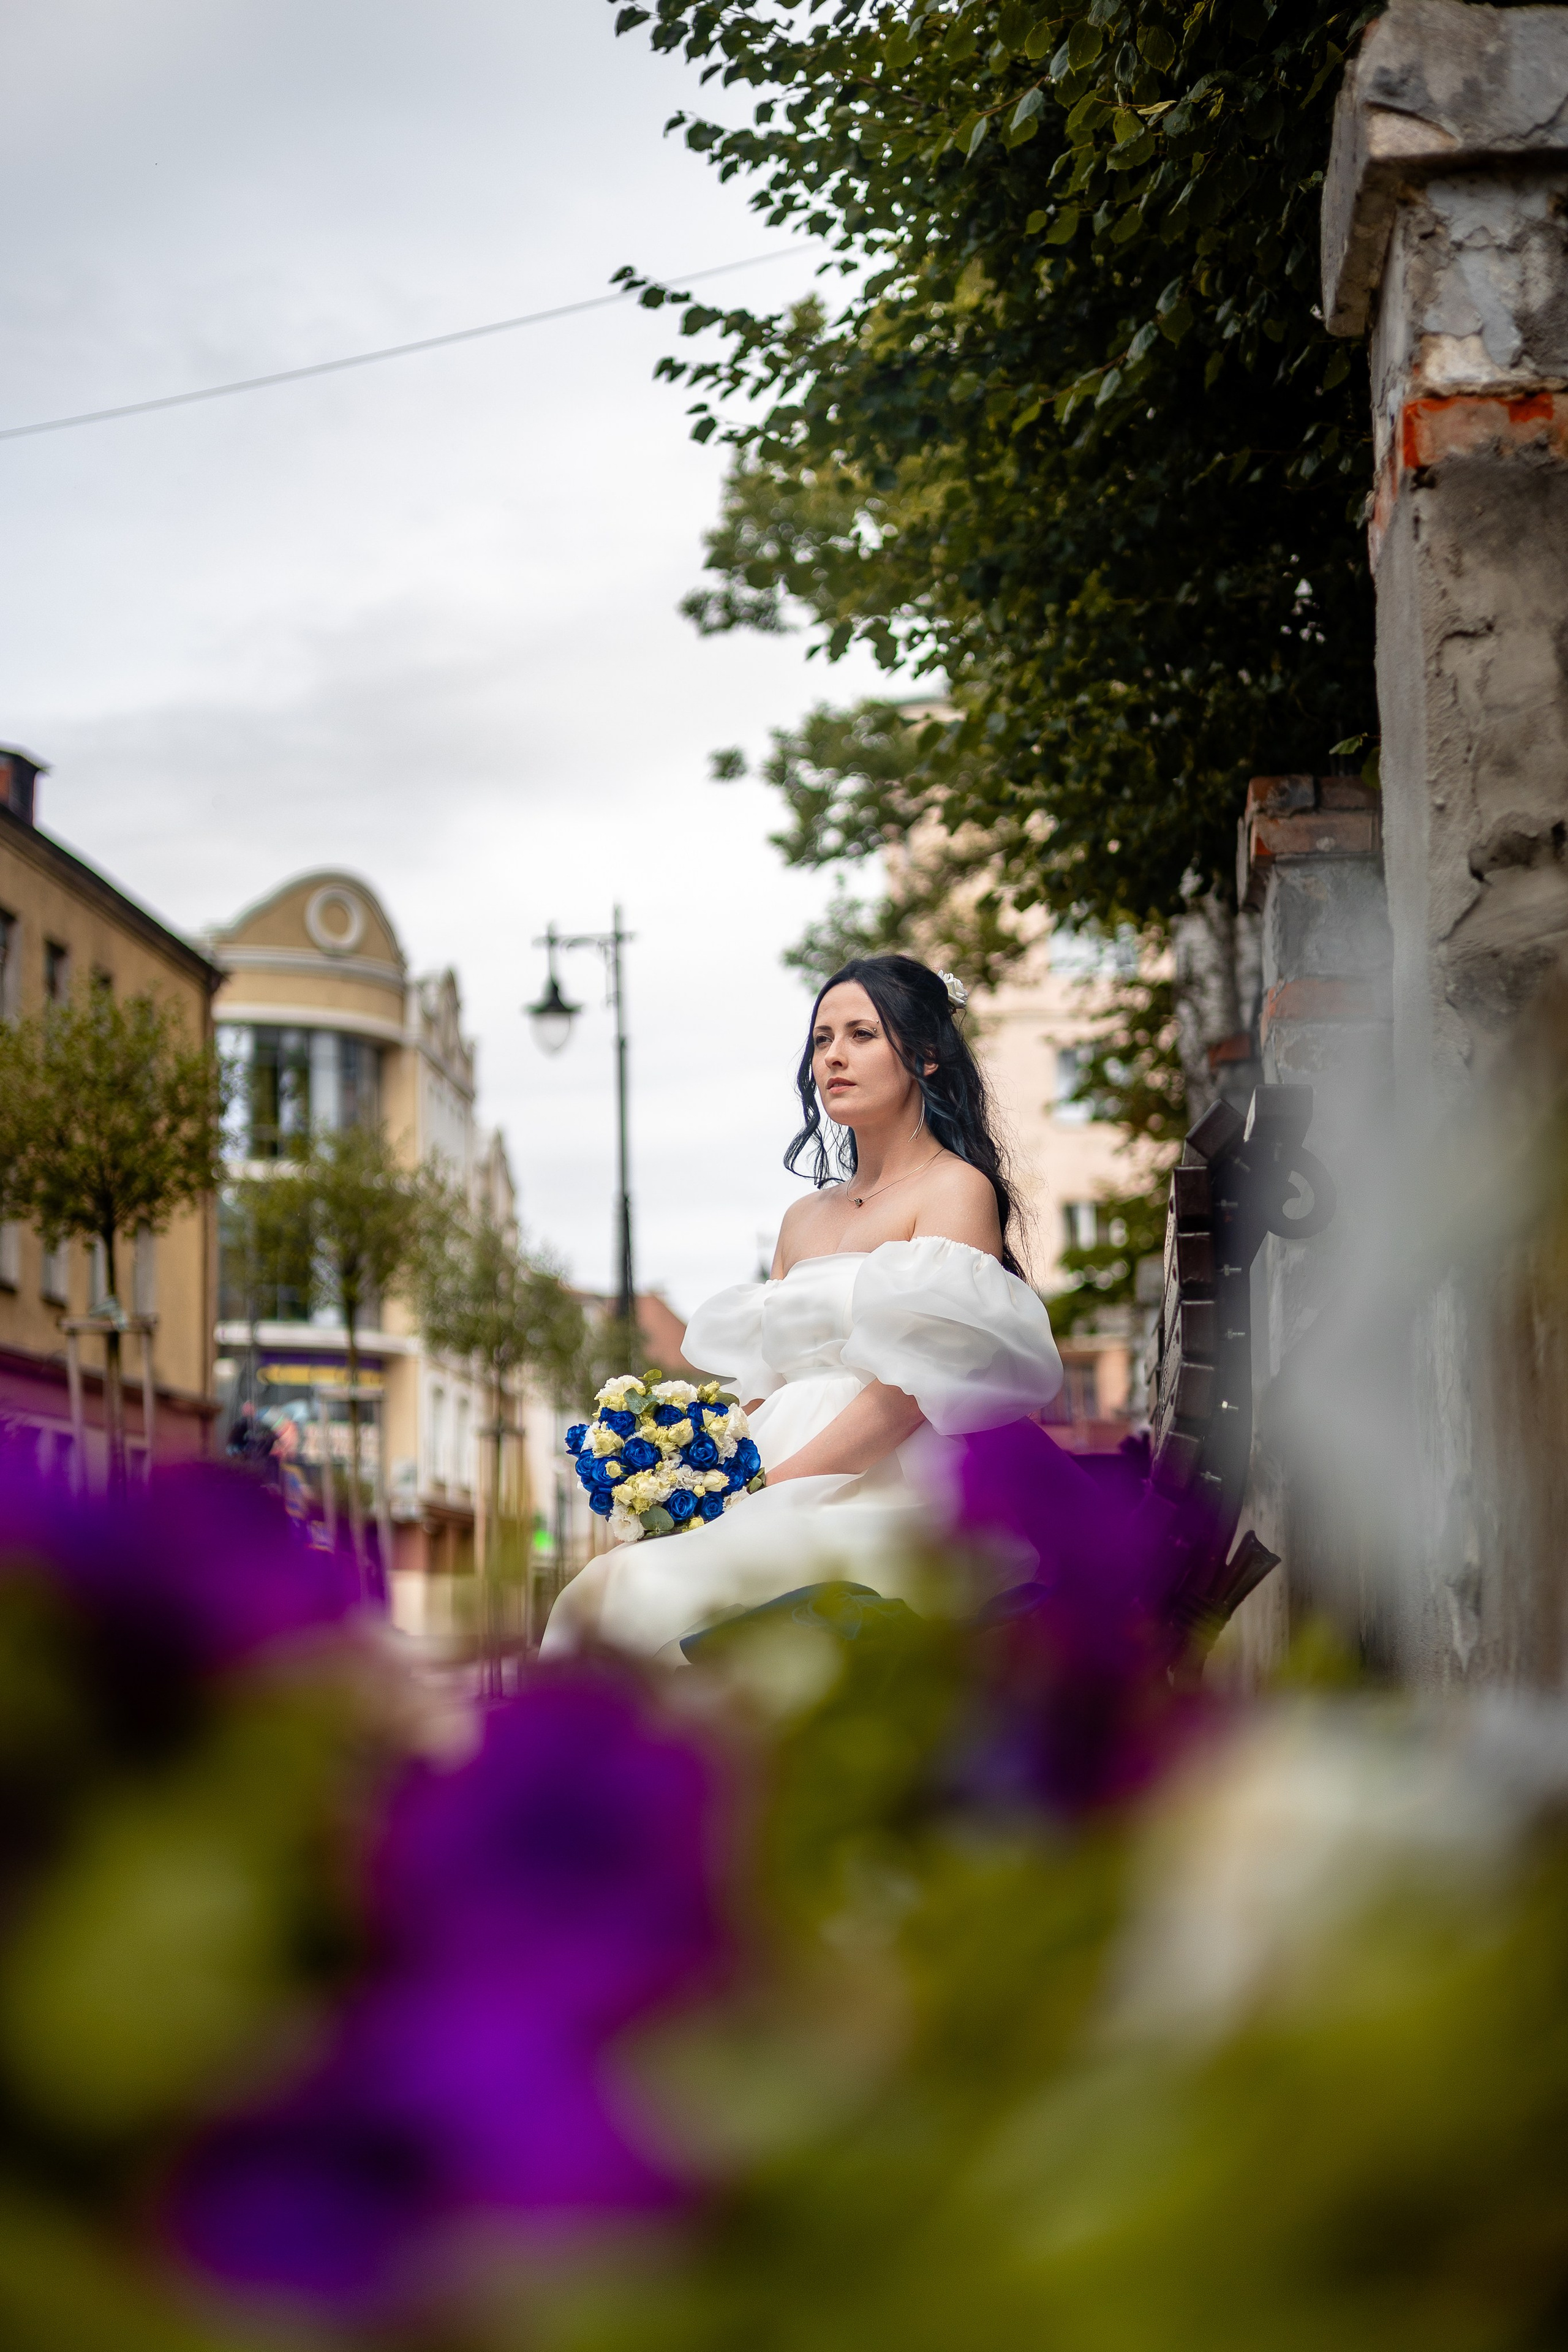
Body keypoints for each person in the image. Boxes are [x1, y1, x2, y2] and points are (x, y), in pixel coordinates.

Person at [540, 954, 1064, 1661]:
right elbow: (766, 1387)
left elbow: (906, 1396)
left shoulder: (954, 1191)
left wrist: (767, 1492)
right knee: (605, 1590)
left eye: (861, 1035)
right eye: (821, 1039)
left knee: (649, 1597)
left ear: (928, 1056)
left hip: (884, 1481)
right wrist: (686, 1478)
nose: (833, 1058)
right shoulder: (802, 1217)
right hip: (776, 1467)